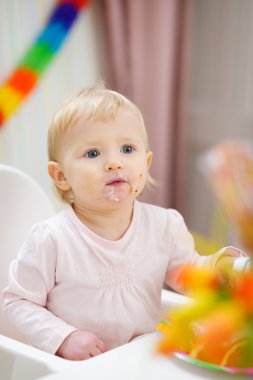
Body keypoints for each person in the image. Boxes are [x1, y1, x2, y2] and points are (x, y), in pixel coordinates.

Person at [2, 85, 248, 361]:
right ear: (60, 176)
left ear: (146, 162)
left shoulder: (163, 226)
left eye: (127, 149)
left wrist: (222, 268)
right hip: (75, 369)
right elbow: (17, 301)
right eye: (93, 153)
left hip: (138, 360)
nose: (114, 162)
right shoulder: (52, 238)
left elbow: (189, 274)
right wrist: (63, 337)